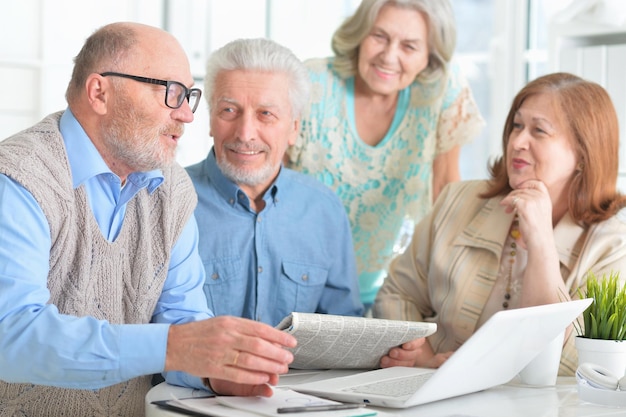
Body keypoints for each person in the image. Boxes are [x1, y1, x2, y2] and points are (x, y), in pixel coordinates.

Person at [0, 22, 297, 417]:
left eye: (190, 96)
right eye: (171, 93)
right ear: (100, 92)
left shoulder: (171, 188)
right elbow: (12, 335)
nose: (188, 115)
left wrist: (213, 371)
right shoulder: (18, 178)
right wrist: (173, 346)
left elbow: (184, 319)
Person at [373, 72, 626, 375]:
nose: (517, 141)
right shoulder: (458, 200)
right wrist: (424, 357)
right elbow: (397, 293)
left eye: (539, 131)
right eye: (516, 126)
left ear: (583, 154)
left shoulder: (613, 247)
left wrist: (541, 241)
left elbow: (570, 365)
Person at [284, 0, 485, 309]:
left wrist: (451, 291)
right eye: (379, 36)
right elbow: (275, 186)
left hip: (400, 290)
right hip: (303, 282)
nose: (389, 57)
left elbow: (446, 190)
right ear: (360, 33)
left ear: (429, 56)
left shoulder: (442, 90)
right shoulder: (311, 82)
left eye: (409, 46)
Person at [186, 38, 364, 326]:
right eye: (229, 110)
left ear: (294, 128)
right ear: (210, 120)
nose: (245, 134)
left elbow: (345, 327)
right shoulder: (169, 201)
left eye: (265, 114)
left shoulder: (324, 209)